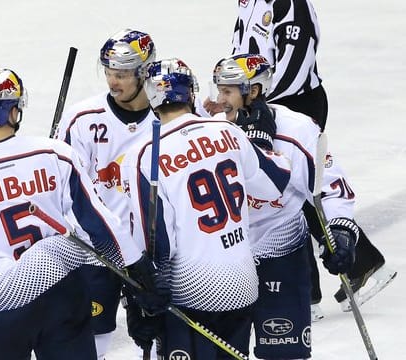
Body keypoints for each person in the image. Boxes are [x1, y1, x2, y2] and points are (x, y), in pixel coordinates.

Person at [0, 67, 169, 360]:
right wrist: (138, 269)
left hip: (2, 303)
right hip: (62, 295)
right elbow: (98, 222)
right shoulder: (53, 153)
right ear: (13, 111)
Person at [227, 0, 396, 317]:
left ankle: (361, 266)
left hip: (293, 105)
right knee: (280, 191)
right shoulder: (248, 3)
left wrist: (259, 104)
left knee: (298, 189)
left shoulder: (290, 5)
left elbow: (297, 63)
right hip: (260, 105)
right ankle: (310, 288)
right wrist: (234, 97)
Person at [123, 57, 292, 359]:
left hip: (191, 293)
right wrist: (260, 138)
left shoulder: (145, 154)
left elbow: (156, 241)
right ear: (190, 94)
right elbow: (274, 181)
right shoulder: (228, 131)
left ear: (152, 98)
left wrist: (141, 300)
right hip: (242, 284)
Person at [209, 53, 361, 359]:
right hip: (226, 261)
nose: (219, 100)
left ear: (252, 91)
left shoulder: (297, 128)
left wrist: (341, 233)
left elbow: (331, 189)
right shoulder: (211, 130)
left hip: (281, 255)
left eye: (227, 91)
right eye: (218, 90)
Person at [53, 28, 161, 359]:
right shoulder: (81, 119)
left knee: (161, 341)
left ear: (145, 71)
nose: (113, 82)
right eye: (110, 73)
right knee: (90, 340)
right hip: (96, 251)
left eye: (123, 74)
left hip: (153, 253)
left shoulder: (169, 115)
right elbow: (62, 190)